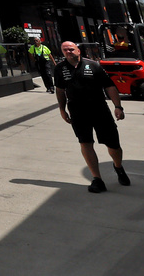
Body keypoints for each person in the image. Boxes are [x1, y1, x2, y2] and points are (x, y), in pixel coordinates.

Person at [54, 41, 129, 192]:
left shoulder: (93, 65)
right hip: (77, 111)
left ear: (78, 50)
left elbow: (109, 86)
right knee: (85, 143)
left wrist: (118, 106)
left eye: (71, 49)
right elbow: (60, 90)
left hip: (99, 109)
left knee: (113, 144)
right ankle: (97, 179)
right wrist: (62, 109)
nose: (68, 52)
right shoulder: (60, 69)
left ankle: (118, 167)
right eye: (65, 50)